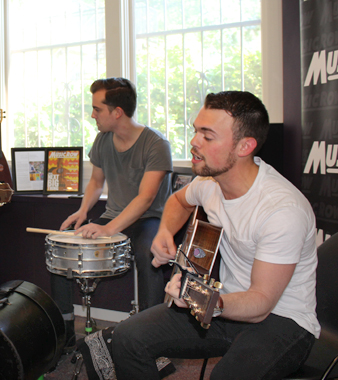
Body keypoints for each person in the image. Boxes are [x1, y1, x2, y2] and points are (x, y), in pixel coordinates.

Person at [111, 91, 320, 379]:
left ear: (245, 146)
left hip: (282, 319)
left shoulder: (282, 210)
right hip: (225, 305)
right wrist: (165, 232)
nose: (194, 142)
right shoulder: (209, 182)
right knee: (126, 337)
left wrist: (201, 299)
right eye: (196, 131)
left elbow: (260, 303)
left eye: (207, 136)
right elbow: (178, 201)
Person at [53, 77, 173, 349]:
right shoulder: (103, 139)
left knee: (148, 253)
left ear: (117, 112)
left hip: (149, 219)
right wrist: (83, 211)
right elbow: (96, 182)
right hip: (115, 216)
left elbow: (146, 198)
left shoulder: (156, 144)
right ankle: (65, 333)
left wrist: (109, 229)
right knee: (63, 246)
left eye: (97, 109)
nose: (92, 114)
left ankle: (151, 338)